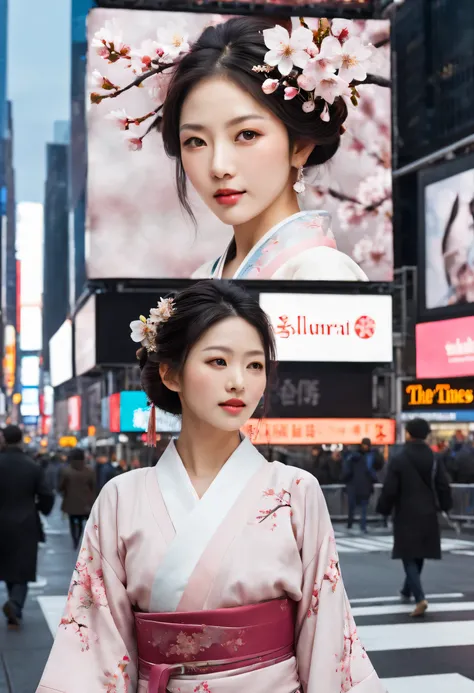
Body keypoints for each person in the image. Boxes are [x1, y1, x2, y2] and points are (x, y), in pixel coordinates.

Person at [37, 280, 384, 693]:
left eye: (254, 365)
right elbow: (94, 649)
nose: (239, 382)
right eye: (218, 361)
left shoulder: (295, 491)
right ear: (170, 372)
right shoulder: (120, 498)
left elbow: (326, 632)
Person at [159, 17, 369, 282]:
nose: (219, 167)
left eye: (247, 134)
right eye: (196, 141)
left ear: (300, 146)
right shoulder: (202, 278)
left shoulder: (321, 271)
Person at [376, 418, 452, 617]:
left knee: (408, 555)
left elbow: (390, 488)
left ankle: (420, 598)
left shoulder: (400, 458)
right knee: (419, 553)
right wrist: (445, 506)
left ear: (408, 434)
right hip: (428, 512)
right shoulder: (434, 458)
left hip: (406, 512)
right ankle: (407, 589)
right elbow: (443, 485)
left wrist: (383, 508)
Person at [0, 425, 54, 628]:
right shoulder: (32, 466)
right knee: (23, 566)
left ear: (4, 439)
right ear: (21, 439)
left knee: (6, 564)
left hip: (2, 523)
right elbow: (47, 495)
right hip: (26, 522)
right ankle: (15, 605)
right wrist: (38, 508)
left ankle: (13, 604)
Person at [343, 438, 384, 533]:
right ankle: (362, 525)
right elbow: (376, 468)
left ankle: (352, 524)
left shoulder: (353, 456)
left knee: (353, 506)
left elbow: (347, 471)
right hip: (365, 485)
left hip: (354, 485)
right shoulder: (370, 456)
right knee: (362, 507)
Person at [59, 449, 96, 550]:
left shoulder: (67, 471)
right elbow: (93, 486)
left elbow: (61, 487)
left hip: (71, 501)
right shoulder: (89, 471)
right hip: (86, 502)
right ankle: (82, 538)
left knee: (72, 520)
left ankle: (75, 539)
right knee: (83, 521)